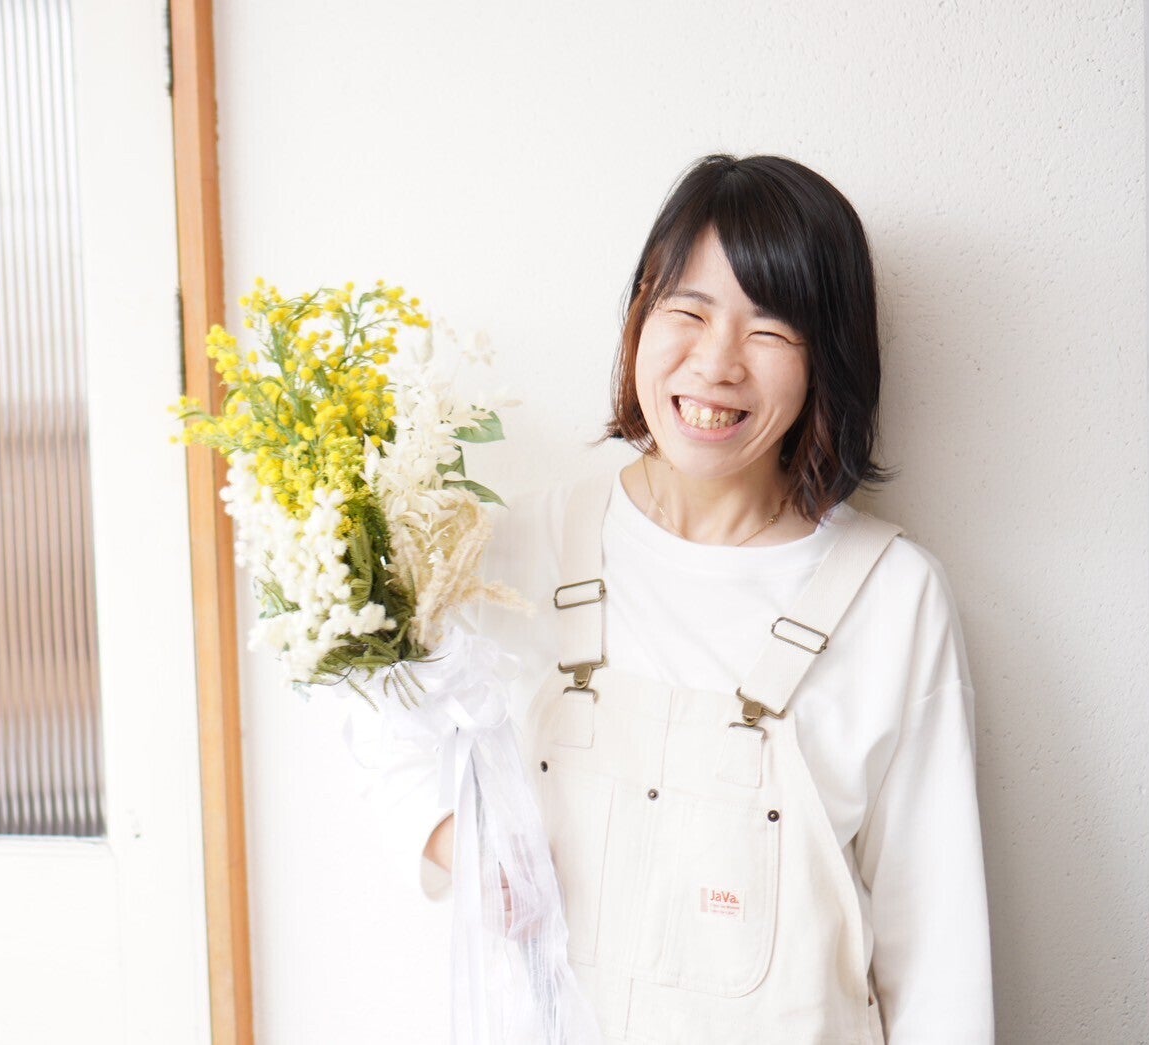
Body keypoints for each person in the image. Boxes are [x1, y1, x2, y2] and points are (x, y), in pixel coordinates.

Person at [350, 153, 995, 1043]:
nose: (716, 362)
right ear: (637, 324)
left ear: (828, 360)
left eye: (769, 329)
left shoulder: (892, 598)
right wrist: (451, 838)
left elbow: (937, 954)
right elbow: (376, 718)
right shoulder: (514, 548)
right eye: (686, 312)